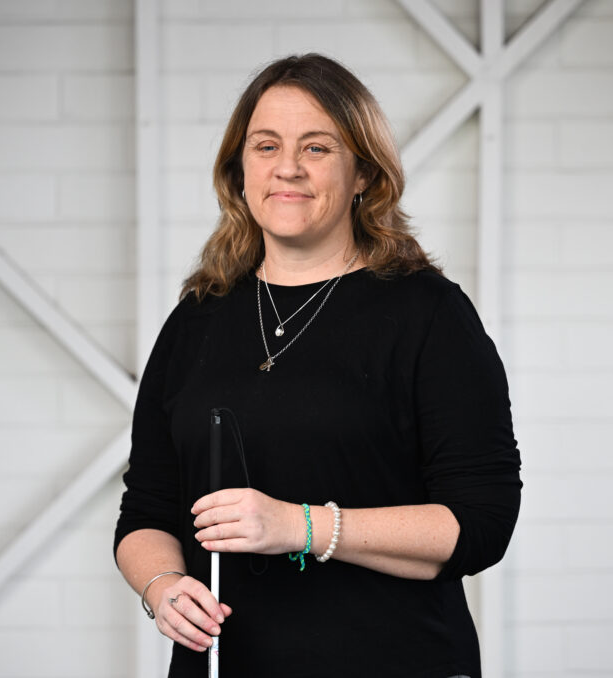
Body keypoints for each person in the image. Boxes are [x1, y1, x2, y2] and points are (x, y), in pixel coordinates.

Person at [114, 53, 521, 678]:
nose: (287, 168)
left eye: (318, 148)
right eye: (266, 145)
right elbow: (144, 513)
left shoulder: (427, 313)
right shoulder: (196, 319)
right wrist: (163, 586)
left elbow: (480, 523)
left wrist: (298, 526)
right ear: (239, 169)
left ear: (363, 173)